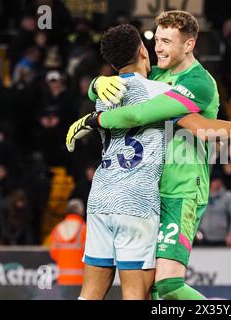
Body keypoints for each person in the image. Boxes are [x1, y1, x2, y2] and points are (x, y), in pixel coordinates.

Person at [66, 11, 231, 300]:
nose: (158, 48)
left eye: (167, 41)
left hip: (182, 189)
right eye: (157, 40)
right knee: (151, 291)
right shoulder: (155, 75)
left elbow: (202, 130)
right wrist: (97, 84)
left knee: (166, 286)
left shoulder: (199, 82)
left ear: (189, 44)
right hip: (148, 192)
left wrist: (94, 117)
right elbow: (127, 78)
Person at [75, 24, 172, 300]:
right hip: (137, 201)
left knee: (91, 292)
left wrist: (95, 84)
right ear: (143, 50)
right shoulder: (160, 92)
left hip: (101, 197)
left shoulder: (102, 98)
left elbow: (94, 96)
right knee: (134, 293)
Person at [49, 199, 86, 286]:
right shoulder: (84, 229)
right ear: (81, 212)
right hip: (82, 282)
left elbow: (53, 254)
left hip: (62, 280)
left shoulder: (57, 229)